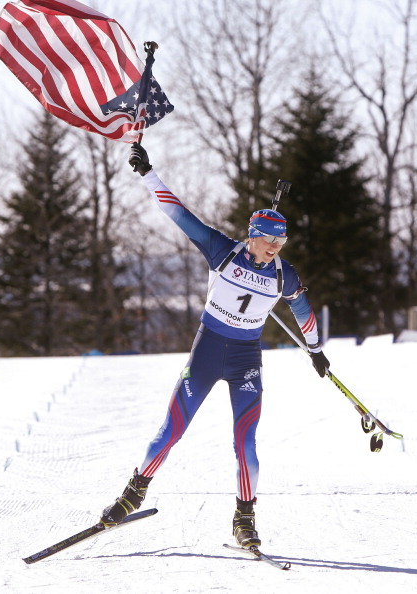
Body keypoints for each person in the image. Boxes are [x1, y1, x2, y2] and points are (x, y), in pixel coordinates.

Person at [100, 143, 330, 549]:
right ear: (253, 236)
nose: (276, 246)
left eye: (282, 240)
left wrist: (315, 349)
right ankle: (133, 494)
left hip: (245, 360)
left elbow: (303, 309)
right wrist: (147, 172)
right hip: (207, 353)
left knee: (246, 441)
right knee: (170, 431)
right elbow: (179, 214)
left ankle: (245, 516)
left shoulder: (284, 274)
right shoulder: (223, 250)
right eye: (269, 239)